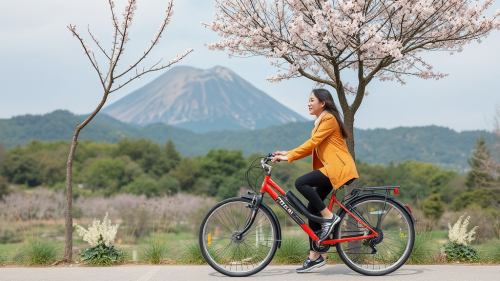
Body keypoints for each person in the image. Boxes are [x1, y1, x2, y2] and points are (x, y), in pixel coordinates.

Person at [271, 88, 359, 272]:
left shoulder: (328, 119)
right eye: (308, 100)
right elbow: (312, 146)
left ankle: (329, 217)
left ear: (323, 103)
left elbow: (312, 144)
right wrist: (287, 153)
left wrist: (289, 158)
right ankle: (315, 256)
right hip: (332, 168)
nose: (308, 104)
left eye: (312, 100)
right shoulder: (321, 121)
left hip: (338, 167)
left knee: (301, 183)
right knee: (312, 207)